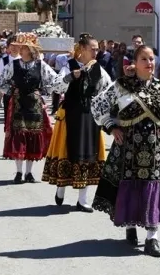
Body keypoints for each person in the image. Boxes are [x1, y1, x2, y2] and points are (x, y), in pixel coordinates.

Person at [91, 45, 160, 257]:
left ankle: (152, 237)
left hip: (155, 149)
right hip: (128, 148)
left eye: (151, 59)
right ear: (135, 63)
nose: (149, 63)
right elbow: (98, 105)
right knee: (130, 185)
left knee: (153, 186)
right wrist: (111, 126)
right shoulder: (121, 86)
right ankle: (130, 224)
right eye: (144, 59)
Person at [43, 33, 112, 212]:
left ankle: (82, 200)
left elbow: (109, 89)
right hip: (71, 115)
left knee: (89, 154)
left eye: (97, 49)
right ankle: (61, 186)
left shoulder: (98, 68)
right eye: (93, 49)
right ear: (82, 49)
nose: (96, 52)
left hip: (90, 116)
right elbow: (55, 86)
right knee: (67, 151)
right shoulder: (70, 65)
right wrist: (70, 77)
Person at [0, 33, 57, 184]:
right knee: (19, 135)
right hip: (18, 103)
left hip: (34, 104)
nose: (21, 49)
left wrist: (43, 91)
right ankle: (18, 172)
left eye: (23, 47)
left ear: (30, 50)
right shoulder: (13, 64)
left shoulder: (41, 65)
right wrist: (11, 91)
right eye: (20, 47)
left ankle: (29, 173)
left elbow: (54, 80)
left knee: (33, 136)